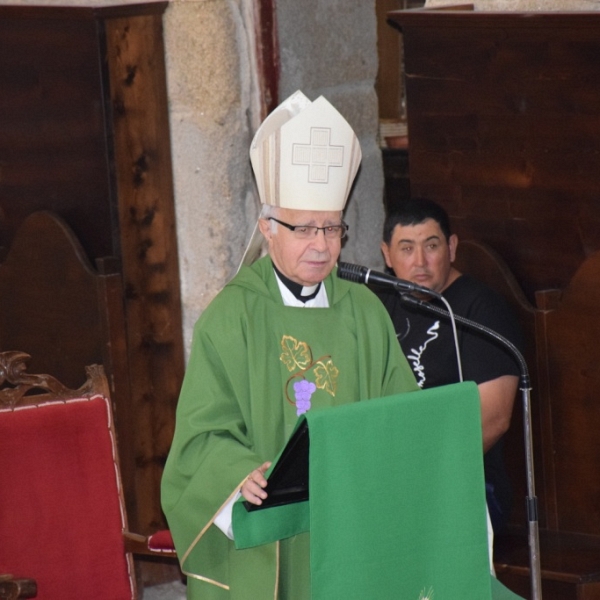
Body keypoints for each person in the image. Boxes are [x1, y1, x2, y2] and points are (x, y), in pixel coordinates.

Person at [161, 90, 418, 600]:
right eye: (303, 228)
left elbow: (401, 415)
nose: (321, 244)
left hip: (352, 527)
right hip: (268, 539)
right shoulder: (232, 316)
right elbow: (199, 439)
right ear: (267, 228)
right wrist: (237, 476)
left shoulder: (365, 311)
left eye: (332, 227)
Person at [376, 197, 523, 536]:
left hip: (470, 485)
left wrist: (421, 476)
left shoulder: (481, 310)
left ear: (452, 247)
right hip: (394, 479)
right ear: (387, 255)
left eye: (432, 245)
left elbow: (495, 418)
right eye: (406, 248)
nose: (420, 262)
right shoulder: (380, 307)